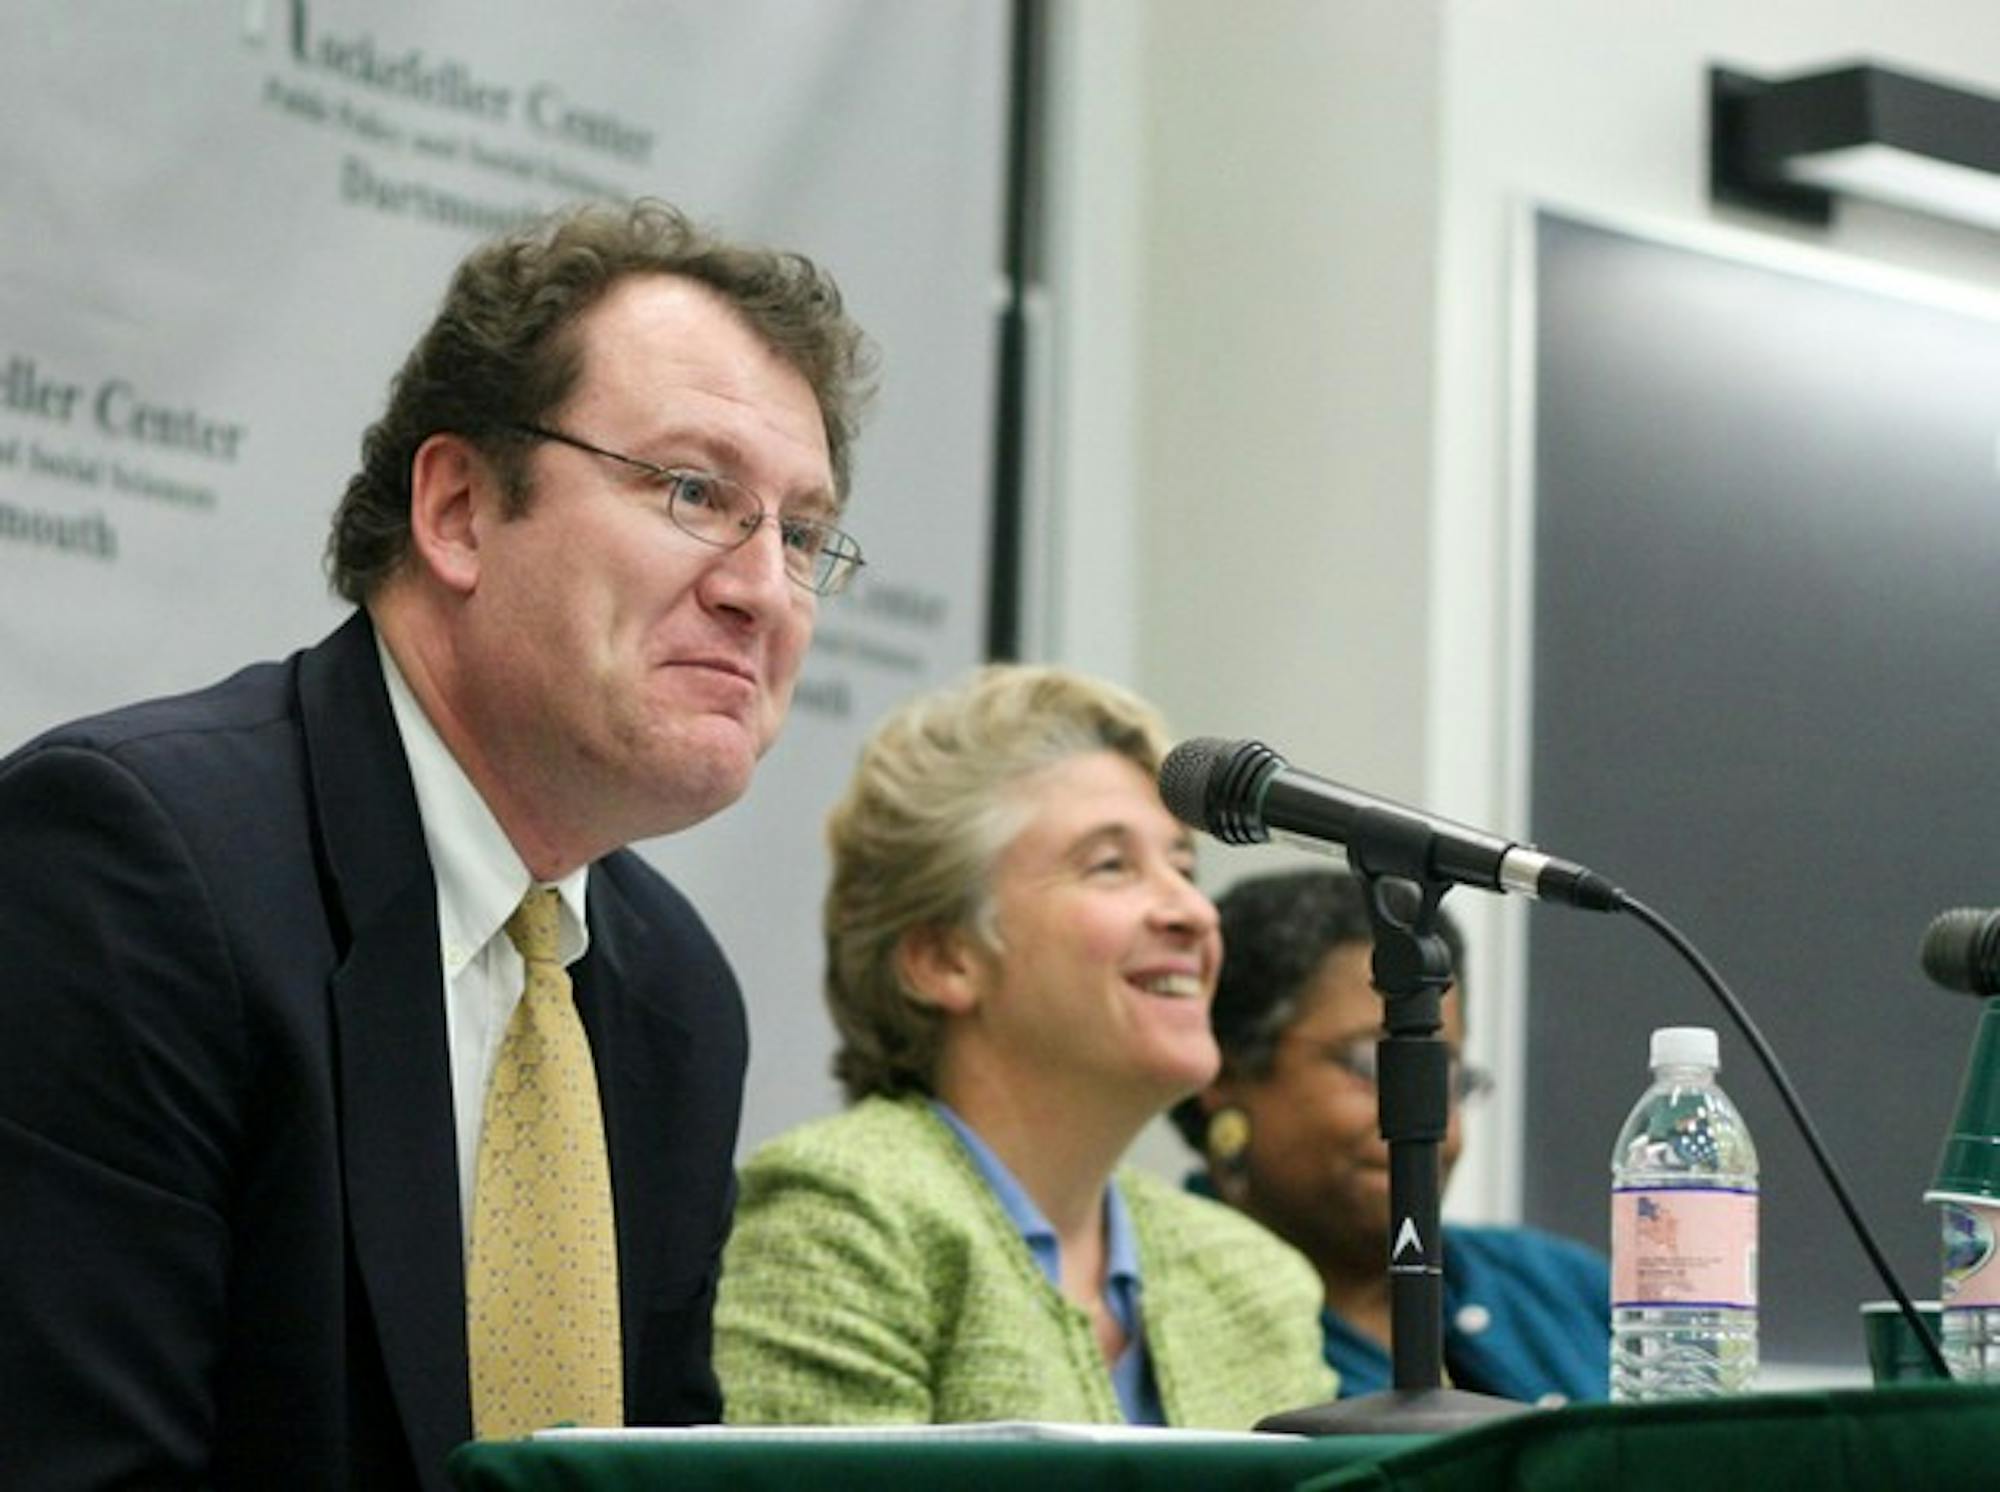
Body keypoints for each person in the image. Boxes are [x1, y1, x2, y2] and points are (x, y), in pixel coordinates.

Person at [0, 199, 874, 1490]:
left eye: (800, 535)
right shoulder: (132, 865)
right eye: (696, 494)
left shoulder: (674, 991)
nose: (760, 590)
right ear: (460, 508)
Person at [713, 665, 1335, 1427]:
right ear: (944, 959)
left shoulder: (1255, 1279)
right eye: (1112, 867)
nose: (1193, 913)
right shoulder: (842, 1215)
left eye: (1184, 866)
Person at [1172, 869, 1610, 1407]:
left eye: (1442, 1073)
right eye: (1374, 1063)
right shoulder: (1159, 1306)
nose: (1429, 1117)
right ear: (1226, 1072)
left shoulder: (1562, 1289)